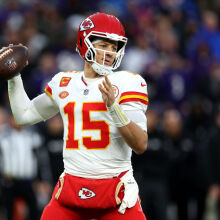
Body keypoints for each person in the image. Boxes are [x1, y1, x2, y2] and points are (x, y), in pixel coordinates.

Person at [7, 12, 148, 219]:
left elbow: (140, 144)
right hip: (71, 189)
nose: (109, 52)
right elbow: (24, 116)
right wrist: (14, 77)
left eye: (114, 47)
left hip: (116, 190)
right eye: (104, 44)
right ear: (85, 42)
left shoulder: (127, 82)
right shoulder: (64, 82)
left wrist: (114, 108)